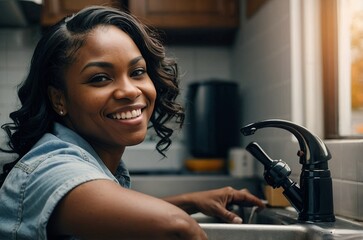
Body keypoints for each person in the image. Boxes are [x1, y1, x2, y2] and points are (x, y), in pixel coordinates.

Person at [0, 6, 265, 240]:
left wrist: (189, 201)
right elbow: (175, 228)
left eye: (137, 72)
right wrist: (180, 215)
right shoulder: (51, 166)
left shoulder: (92, 162)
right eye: (100, 78)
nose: (129, 91)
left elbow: (104, 217)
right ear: (60, 99)